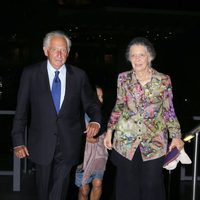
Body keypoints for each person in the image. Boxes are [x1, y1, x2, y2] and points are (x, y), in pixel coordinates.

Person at [11, 30, 102, 200]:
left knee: (59, 189)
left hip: (69, 142)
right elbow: (21, 110)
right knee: (43, 190)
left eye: (63, 50)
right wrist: (18, 141)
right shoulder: (30, 74)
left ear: (68, 52)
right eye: (55, 50)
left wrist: (96, 121)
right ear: (46, 51)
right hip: (41, 142)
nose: (59, 54)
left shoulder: (79, 76)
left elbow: (92, 105)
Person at [103, 37, 184, 200]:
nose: (137, 59)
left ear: (150, 57)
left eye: (141, 55)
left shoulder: (163, 80)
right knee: (126, 187)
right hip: (126, 141)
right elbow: (119, 105)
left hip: (154, 143)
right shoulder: (123, 78)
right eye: (133, 55)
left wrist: (176, 136)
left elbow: (168, 110)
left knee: (152, 186)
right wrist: (109, 130)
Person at [75, 85, 108, 200]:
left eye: (102, 96)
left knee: (98, 183)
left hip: (99, 153)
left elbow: (105, 129)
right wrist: (84, 138)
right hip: (82, 155)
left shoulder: (102, 115)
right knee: (84, 190)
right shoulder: (78, 114)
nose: (101, 100)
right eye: (97, 96)